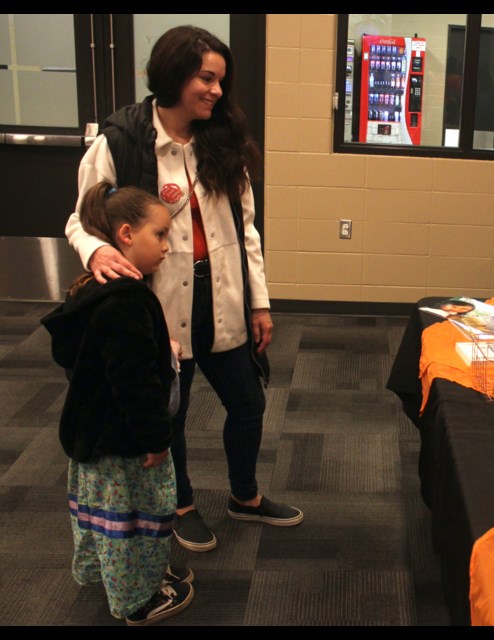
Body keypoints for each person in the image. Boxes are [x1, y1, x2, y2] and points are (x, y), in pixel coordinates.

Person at [65, 25, 302, 554]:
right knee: (169, 410)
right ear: (173, 75)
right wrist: (97, 250)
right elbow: (80, 219)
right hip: (156, 303)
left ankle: (245, 495)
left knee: (247, 403)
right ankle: (182, 504)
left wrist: (259, 302)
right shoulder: (122, 140)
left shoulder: (223, 139)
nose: (217, 91)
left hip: (222, 298)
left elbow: (246, 230)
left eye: (221, 80)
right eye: (206, 78)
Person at [42, 182, 194, 625]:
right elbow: (134, 384)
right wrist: (156, 439)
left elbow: (95, 356)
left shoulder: (94, 287)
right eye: (160, 235)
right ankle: (137, 603)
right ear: (126, 234)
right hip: (123, 442)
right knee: (134, 522)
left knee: (108, 519)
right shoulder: (127, 301)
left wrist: (156, 343)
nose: (168, 246)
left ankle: (134, 580)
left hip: (93, 434)